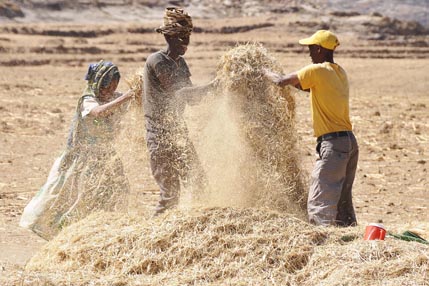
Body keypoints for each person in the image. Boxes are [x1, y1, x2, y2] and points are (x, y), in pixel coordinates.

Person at [20, 60, 134, 239]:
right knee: (72, 197)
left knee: (115, 191)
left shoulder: (112, 97)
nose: (110, 90)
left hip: (106, 156)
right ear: (98, 83)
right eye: (107, 86)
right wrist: (126, 97)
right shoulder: (88, 99)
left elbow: (130, 100)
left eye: (114, 86)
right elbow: (97, 112)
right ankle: (65, 233)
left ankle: (105, 230)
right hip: (83, 159)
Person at [264, 30, 358, 227]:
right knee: (342, 198)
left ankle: (321, 242)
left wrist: (263, 71)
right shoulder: (339, 72)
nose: (309, 54)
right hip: (349, 142)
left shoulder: (316, 70)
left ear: (319, 49)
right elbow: (306, 87)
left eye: (310, 49)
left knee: (320, 197)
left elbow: (281, 81)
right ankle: (348, 238)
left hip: (333, 144)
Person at [143, 7, 216, 215]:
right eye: (179, 38)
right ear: (167, 36)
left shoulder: (181, 63)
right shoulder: (157, 61)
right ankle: (151, 236)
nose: (184, 42)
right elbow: (181, 92)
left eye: (187, 37)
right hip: (159, 135)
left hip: (178, 133)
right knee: (170, 196)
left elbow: (192, 99)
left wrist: (220, 89)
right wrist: (213, 86)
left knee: (199, 181)